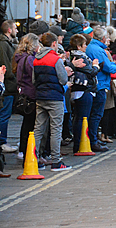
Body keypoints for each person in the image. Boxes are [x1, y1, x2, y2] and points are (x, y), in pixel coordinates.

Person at [32, 32, 75, 171]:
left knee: (38, 129)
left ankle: (34, 158)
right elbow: (63, 79)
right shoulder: (56, 60)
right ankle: (56, 161)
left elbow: (34, 80)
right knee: (56, 129)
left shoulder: (36, 59)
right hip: (54, 97)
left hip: (40, 97)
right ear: (54, 44)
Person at [86, 26, 116, 152]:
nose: (109, 40)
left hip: (96, 83)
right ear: (103, 38)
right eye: (107, 38)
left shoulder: (93, 47)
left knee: (94, 115)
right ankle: (93, 141)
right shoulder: (98, 50)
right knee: (96, 115)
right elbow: (107, 67)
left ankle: (93, 139)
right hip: (100, 84)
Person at [69, 33, 100, 154]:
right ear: (78, 46)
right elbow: (91, 72)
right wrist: (96, 66)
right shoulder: (80, 57)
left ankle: (80, 143)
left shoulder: (76, 56)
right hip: (84, 90)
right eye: (84, 44)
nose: (86, 46)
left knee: (79, 118)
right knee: (83, 118)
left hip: (81, 90)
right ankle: (80, 144)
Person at [13, 33, 40, 158]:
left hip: (24, 92)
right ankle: (26, 150)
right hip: (30, 93)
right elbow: (34, 76)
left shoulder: (19, 57)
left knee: (27, 123)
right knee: (30, 124)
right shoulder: (29, 59)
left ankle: (23, 149)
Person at [0, 20, 18, 153]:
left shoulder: (7, 44)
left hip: (9, 85)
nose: (17, 31)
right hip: (7, 86)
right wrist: (14, 75)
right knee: (4, 115)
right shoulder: (3, 45)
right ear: (9, 30)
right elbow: (6, 65)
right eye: (15, 28)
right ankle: (2, 142)